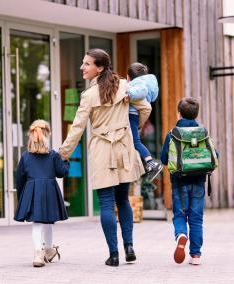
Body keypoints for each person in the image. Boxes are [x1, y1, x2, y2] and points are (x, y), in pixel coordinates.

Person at [59, 49, 151, 266]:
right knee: (123, 200)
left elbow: (77, 128)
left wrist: (63, 153)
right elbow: (145, 107)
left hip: (102, 149)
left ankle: (114, 254)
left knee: (107, 204)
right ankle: (129, 246)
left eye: (86, 64)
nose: (82, 67)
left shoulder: (89, 95)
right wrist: (133, 130)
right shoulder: (124, 86)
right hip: (124, 148)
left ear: (99, 67)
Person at [160, 97, 211, 265]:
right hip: (198, 182)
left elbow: (164, 159)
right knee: (196, 218)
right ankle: (195, 255)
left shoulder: (172, 134)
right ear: (196, 114)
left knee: (180, 214)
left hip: (179, 183)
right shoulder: (203, 133)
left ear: (179, 114)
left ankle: (181, 235)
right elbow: (214, 156)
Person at [14, 119, 69, 268]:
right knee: (48, 221)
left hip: (33, 192)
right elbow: (62, 173)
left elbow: (19, 178)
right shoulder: (53, 155)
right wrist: (65, 160)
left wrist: (22, 196)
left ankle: (40, 252)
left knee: (37, 223)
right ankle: (48, 250)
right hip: (50, 190)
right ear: (48, 135)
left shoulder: (25, 156)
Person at [126, 62, 163, 182]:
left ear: (129, 77)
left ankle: (151, 163)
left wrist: (128, 93)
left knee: (135, 142)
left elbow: (141, 90)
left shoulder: (139, 84)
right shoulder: (144, 82)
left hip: (132, 114)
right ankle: (148, 164)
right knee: (134, 142)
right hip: (137, 115)